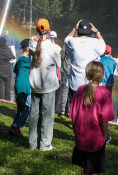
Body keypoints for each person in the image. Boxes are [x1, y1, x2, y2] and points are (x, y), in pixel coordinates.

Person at [71, 61, 114, 175]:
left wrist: (76, 133)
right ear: (102, 75)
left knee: (84, 165)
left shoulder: (80, 90)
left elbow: (73, 115)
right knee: (95, 169)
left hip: (80, 137)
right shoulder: (104, 93)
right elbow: (104, 119)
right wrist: (104, 137)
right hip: (96, 139)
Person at [28, 18, 61, 150]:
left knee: (34, 115)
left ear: (37, 29)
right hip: (48, 86)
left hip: (35, 86)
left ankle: (32, 143)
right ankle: (45, 144)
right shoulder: (53, 48)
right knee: (47, 116)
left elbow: (34, 40)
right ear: (49, 30)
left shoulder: (31, 44)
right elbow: (59, 64)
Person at [65, 19, 106, 110]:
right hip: (91, 82)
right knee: (89, 109)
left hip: (75, 82)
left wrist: (74, 29)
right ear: (90, 30)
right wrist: (97, 32)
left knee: (76, 108)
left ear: (78, 30)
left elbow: (66, 39)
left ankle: (76, 123)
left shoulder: (73, 42)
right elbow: (103, 46)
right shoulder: (95, 42)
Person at [9, 38, 32, 137]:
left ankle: (14, 128)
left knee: (20, 109)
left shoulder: (20, 59)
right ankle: (16, 125)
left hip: (18, 85)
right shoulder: (25, 59)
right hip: (23, 86)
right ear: (28, 49)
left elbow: (14, 70)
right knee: (29, 108)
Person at [0, 36, 15, 101]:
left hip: (0, 68)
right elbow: (12, 57)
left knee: (0, 84)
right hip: (7, 68)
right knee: (8, 84)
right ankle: (8, 98)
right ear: (5, 43)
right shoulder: (8, 49)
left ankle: (1, 99)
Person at [57, 38, 72, 115]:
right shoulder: (74, 47)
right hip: (72, 71)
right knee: (71, 92)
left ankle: (63, 109)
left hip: (64, 70)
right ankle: (69, 109)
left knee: (64, 91)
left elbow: (61, 58)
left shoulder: (64, 48)